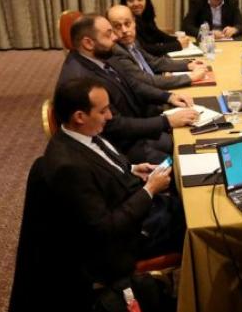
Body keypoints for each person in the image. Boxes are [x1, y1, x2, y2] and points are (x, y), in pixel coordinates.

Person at [43, 77, 185, 285]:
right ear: (80, 116)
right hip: (126, 242)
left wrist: (132, 169)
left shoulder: (83, 133)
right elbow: (105, 229)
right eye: (103, 111)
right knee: (201, 226)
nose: (109, 116)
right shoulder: (69, 167)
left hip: (138, 207)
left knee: (190, 198)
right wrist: (149, 190)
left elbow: (101, 168)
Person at [57, 14, 198, 163]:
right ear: (88, 43)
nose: (116, 37)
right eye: (108, 34)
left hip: (134, 126)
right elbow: (113, 125)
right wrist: (166, 122)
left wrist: (168, 96)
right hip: (120, 146)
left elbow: (133, 84)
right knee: (183, 158)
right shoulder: (81, 81)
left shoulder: (102, 54)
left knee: (189, 139)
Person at [106, 5, 208, 90]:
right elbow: (148, 81)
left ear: (134, 22)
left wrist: (188, 65)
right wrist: (190, 77)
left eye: (127, 23)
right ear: (110, 29)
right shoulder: (117, 52)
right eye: (117, 26)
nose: (124, 30)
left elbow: (154, 63)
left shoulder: (133, 41)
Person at [120, 0, 189, 56]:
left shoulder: (145, 16)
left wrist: (177, 39)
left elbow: (157, 35)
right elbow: (143, 49)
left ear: (146, 0)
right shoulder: (125, 23)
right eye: (131, 0)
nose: (136, 4)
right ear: (124, 3)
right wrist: (177, 45)